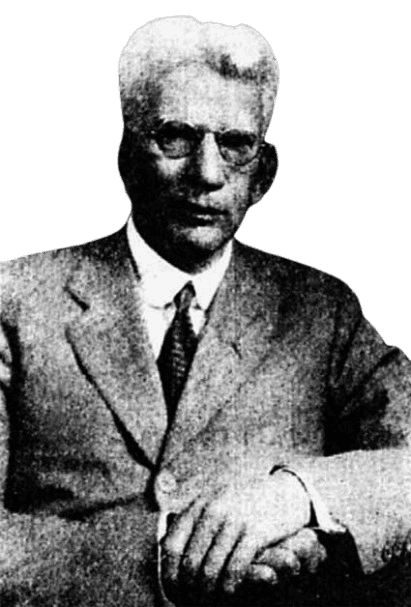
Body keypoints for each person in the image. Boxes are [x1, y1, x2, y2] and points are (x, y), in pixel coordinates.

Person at [0, 15, 410, 607]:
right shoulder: (16, 300)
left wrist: (297, 499)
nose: (208, 174)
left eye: (236, 145)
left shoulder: (323, 310)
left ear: (264, 174)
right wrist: (159, 558)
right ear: (125, 159)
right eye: (175, 138)